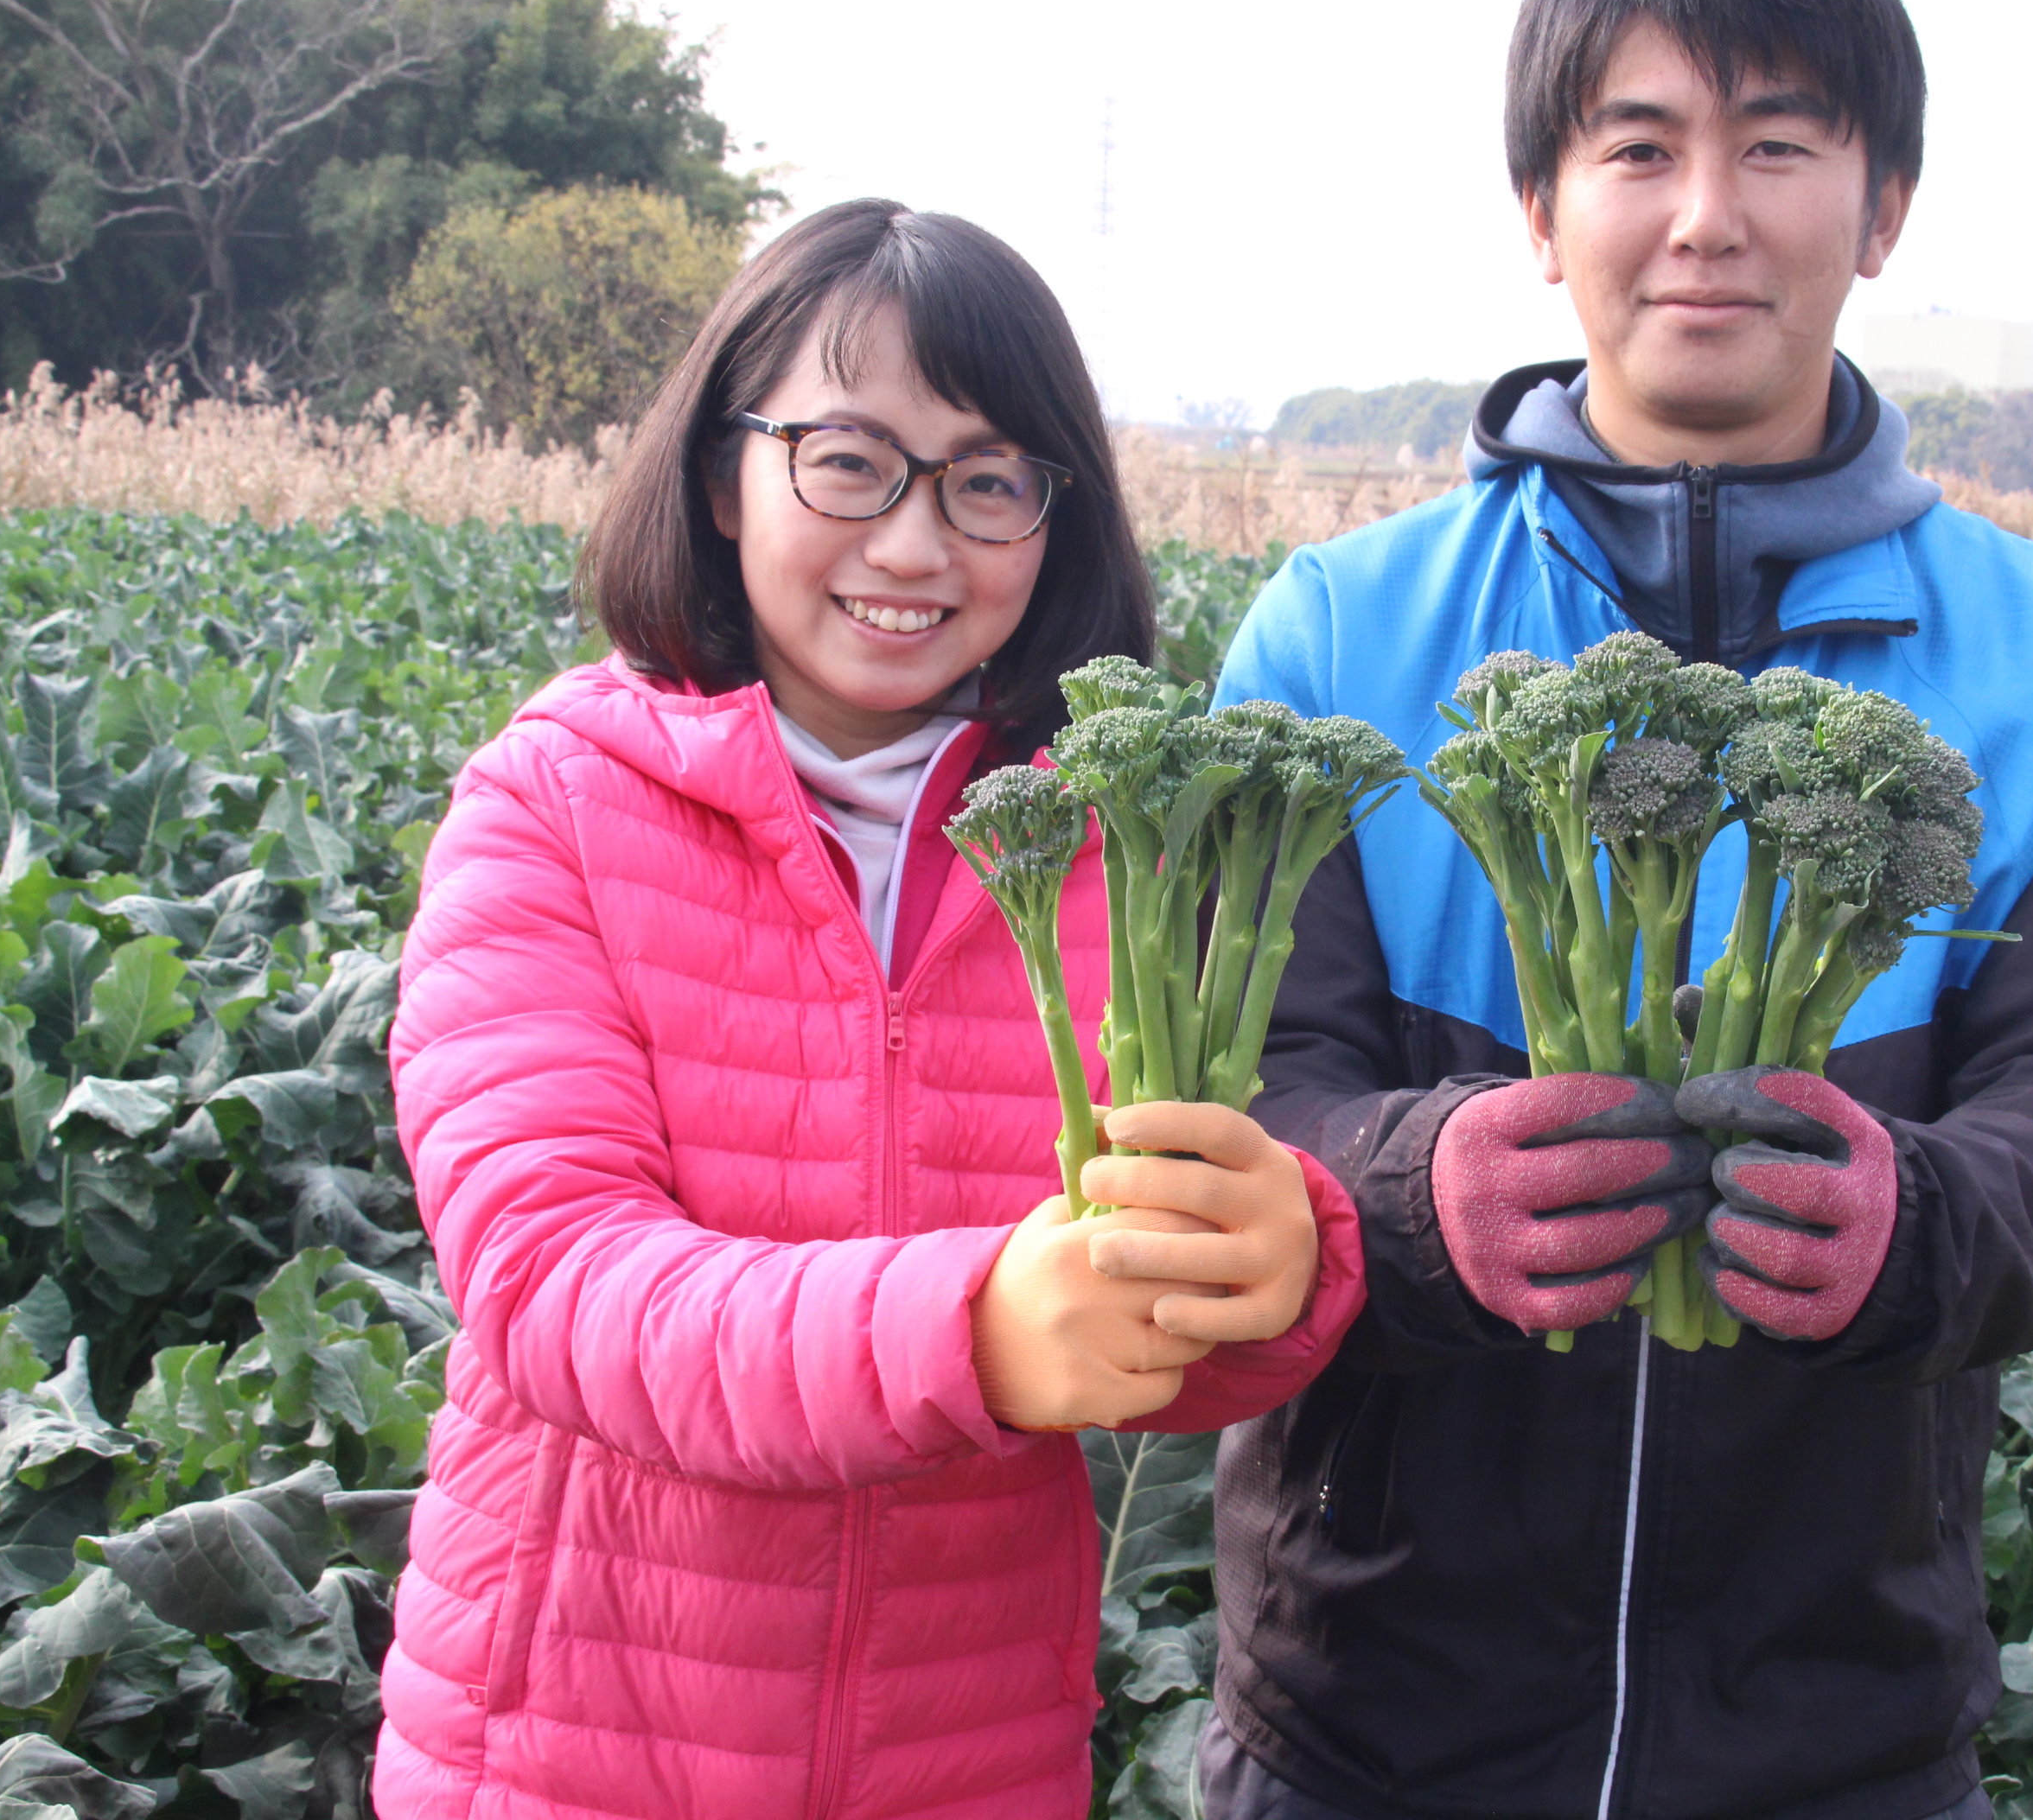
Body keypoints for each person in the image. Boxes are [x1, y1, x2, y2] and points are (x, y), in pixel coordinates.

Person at [1202, 0, 2033, 1820]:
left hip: (1839, 1729)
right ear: (1541, 211)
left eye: (1780, 146)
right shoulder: (1339, 636)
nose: (1706, 216)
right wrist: (1409, 1200)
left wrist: (1922, 1221)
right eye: (1638, 148)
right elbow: (1249, 1084)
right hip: (1373, 1720)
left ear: (1884, 206)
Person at [379, 200, 1367, 1820]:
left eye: (989, 482)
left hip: (966, 1754)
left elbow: (1144, 1321)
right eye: (847, 461)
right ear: (721, 474)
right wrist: (973, 1328)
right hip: (575, 1751)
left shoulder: (1124, 844)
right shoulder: (550, 806)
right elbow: (552, 1280)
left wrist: (1284, 1270)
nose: (915, 546)